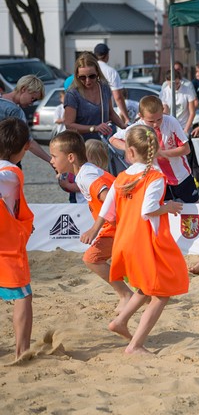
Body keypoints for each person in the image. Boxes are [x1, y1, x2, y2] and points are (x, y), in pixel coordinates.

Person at [94, 125, 188, 354]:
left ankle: (120, 321)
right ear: (154, 150)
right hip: (146, 241)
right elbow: (148, 210)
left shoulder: (122, 176)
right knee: (162, 294)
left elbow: (108, 210)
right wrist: (168, 206)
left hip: (125, 240)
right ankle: (135, 345)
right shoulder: (155, 177)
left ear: (131, 152)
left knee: (147, 287)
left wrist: (93, 229)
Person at [51, 132, 132, 314]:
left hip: (119, 226)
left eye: (54, 156)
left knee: (92, 259)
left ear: (70, 157)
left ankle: (127, 295)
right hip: (122, 224)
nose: (51, 160)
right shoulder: (86, 171)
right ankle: (139, 293)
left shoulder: (86, 176)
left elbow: (108, 199)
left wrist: (94, 229)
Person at [109, 96, 198, 202]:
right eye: (151, 121)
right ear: (140, 116)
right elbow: (113, 139)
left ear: (163, 111)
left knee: (193, 212)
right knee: (163, 214)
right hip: (157, 180)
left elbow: (186, 149)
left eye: (159, 119)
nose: (156, 124)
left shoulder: (171, 122)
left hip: (181, 177)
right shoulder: (137, 128)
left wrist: (161, 153)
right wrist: (134, 149)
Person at [0, 118, 33, 360]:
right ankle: (22, 351)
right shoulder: (12, 173)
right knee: (23, 295)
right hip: (6, 245)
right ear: (25, 147)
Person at [63, 53, 128, 142]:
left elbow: (110, 113)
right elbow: (69, 125)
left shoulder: (104, 87)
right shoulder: (72, 94)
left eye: (92, 76)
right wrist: (94, 128)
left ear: (97, 72)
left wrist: (124, 126)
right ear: (77, 76)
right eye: (82, 77)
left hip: (103, 144)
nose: (87, 81)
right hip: (81, 146)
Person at [0, 74, 51, 162]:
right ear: (23, 89)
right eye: (33, 99)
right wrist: (50, 160)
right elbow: (29, 142)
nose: (32, 103)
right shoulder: (16, 111)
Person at [93, 43, 129, 124]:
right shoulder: (111, 71)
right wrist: (126, 118)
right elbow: (118, 97)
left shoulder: (89, 69)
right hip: (105, 116)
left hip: (89, 114)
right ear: (107, 55)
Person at [160, 68, 197, 135]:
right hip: (170, 127)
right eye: (172, 84)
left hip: (184, 125)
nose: (175, 86)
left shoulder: (187, 90)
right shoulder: (164, 92)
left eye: (177, 83)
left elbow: (192, 112)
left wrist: (186, 129)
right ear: (167, 81)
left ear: (180, 80)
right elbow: (165, 112)